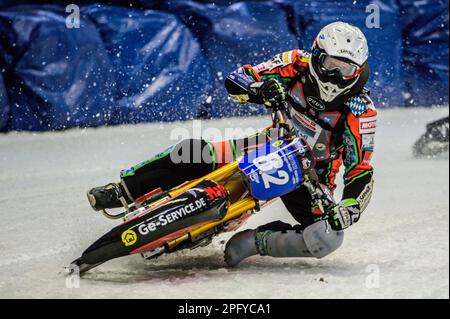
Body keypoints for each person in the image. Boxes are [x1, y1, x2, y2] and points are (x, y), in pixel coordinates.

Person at [87, 21, 377, 267]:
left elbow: (361, 169)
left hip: (311, 178)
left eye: (346, 70)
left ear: (359, 70)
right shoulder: (294, 63)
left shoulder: (361, 110)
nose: (335, 77)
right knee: (193, 150)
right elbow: (237, 79)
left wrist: (350, 205)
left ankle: (255, 243)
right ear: (316, 56)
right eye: (330, 65)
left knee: (326, 238)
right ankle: (123, 191)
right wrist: (258, 88)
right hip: (268, 143)